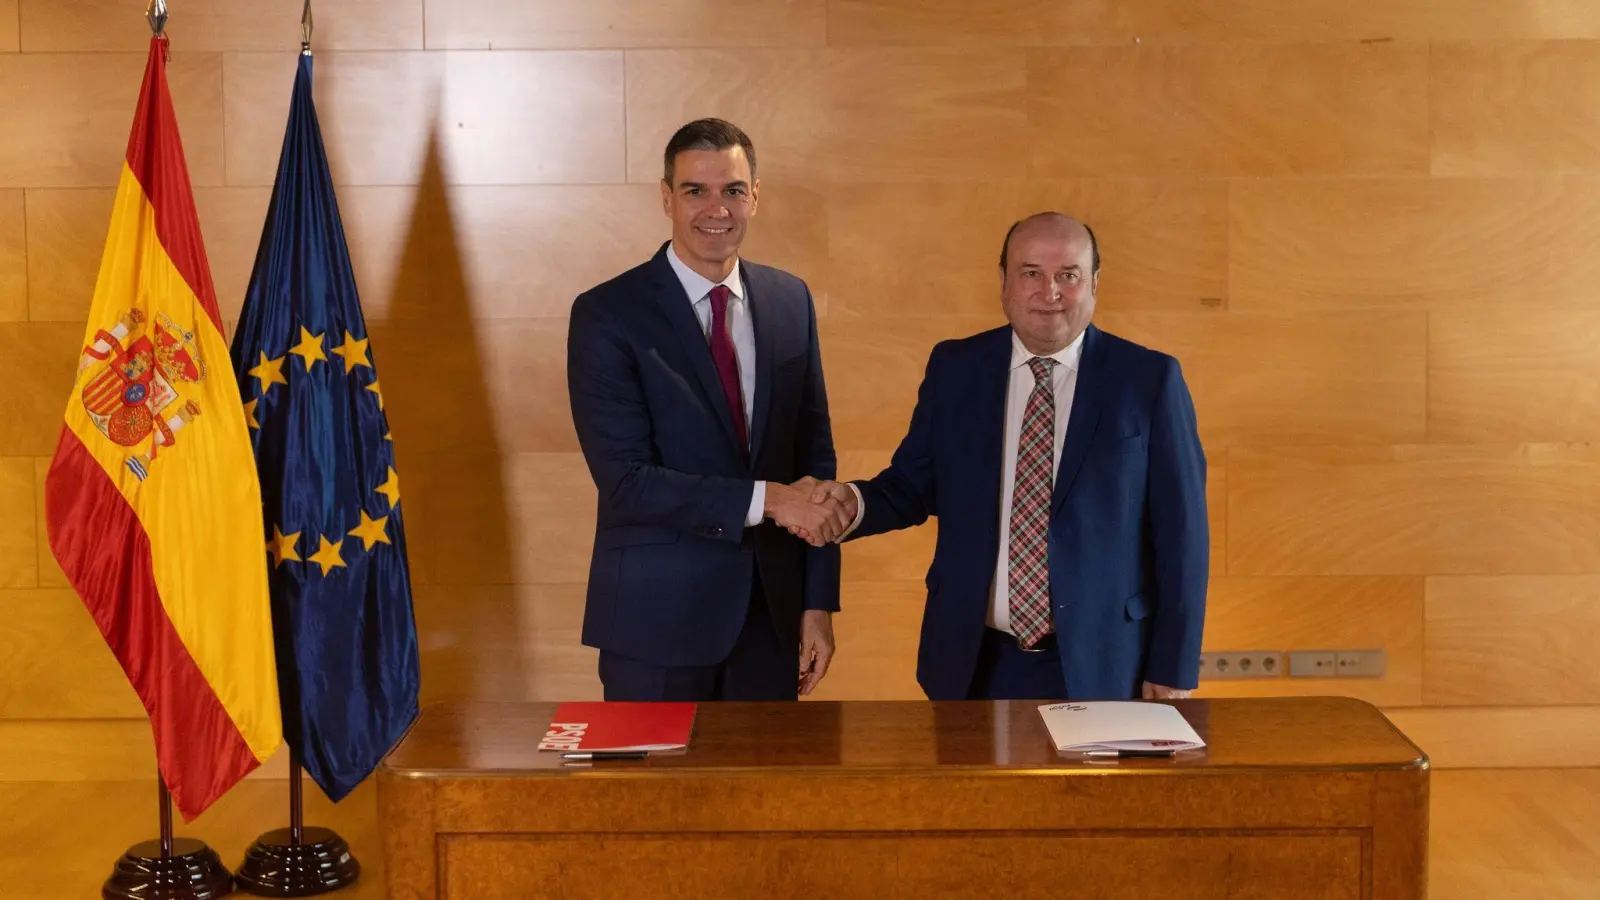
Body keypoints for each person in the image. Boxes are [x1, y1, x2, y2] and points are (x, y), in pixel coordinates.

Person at [801, 212, 1208, 701]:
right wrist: (847, 503)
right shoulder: (956, 369)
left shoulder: (1149, 380)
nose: (1049, 291)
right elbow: (910, 486)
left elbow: (1183, 537)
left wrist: (1174, 666)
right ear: (1004, 282)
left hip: (1106, 663)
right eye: (1031, 272)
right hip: (973, 661)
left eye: (1068, 275)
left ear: (1095, 283)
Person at [566, 118, 854, 702]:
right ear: (667, 197)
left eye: (733, 190)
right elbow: (626, 481)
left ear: (756, 197)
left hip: (770, 620)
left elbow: (814, 456)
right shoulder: (608, 313)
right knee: (653, 797)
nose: (715, 209)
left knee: (764, 795)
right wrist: (768, 499)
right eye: (695, 190)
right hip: (654, 624)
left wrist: (817, 601)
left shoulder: (788, 300)